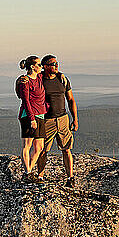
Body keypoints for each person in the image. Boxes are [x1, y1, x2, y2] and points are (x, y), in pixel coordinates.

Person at [35, 54, 78, 187]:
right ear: (45, 66)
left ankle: (70, 178)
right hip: (47, 120)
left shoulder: (62, 79)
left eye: (57, 63)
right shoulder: (39, 79)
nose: (56, 65)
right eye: (53, 64)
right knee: (43, 151)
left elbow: (70, 100)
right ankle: (40, 176)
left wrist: (75, 119)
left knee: (66, 149)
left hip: (63, 119)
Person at [15, 55, 48, 183]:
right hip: (28, 115)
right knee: (27, 145)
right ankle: (27, 172)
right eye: (39, 65)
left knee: (39, 146)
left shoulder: (39, 77)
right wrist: (31, 118)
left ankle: (29, 170)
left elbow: (49, 71)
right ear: (33, 67)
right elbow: (26, 101)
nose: (41, 67)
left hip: (40, 114)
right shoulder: (25, 82)